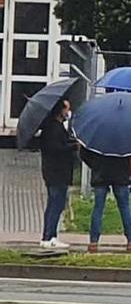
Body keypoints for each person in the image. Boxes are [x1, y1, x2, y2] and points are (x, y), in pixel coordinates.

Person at [81, 146, 131, 252]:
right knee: (125, 207)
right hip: (120, 173)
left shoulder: (96, 134)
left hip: (100, 173)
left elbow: (84, 154)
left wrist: (95, 165)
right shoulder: (124, 136)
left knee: (98, 208)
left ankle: (93, 241)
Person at [37, 99, 76, 249]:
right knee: (56, 204)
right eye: (67, 109)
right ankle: (49, 236)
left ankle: (49, 235)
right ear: (60, 110)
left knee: (54, 204)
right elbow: (56, 148)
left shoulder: (55, 126)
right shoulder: (53, 128)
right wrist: (73, 147)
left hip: (55, 172)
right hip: (57, 172)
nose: (68, 112)